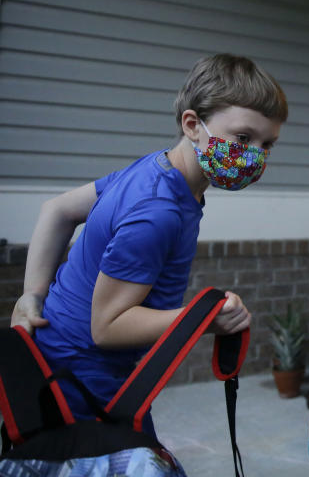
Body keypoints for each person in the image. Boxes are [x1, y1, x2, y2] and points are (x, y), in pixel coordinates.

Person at [9, 53, 287, 438]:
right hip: (83, 385)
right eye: (243, 138)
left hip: (65, 364)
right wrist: (204, 317)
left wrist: (31, 295)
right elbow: (107, 327)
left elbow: (57, 210)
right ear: (192, 125)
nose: (255, 154)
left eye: (267, 144)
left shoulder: (155, 169)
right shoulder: (158, 211)